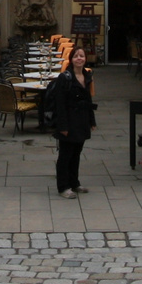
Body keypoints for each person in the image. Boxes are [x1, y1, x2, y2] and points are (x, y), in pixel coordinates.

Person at [44, 47, 95, 198]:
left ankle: (75, 183)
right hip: (68, 120)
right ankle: (63, 186)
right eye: (76, 56)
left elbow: (88, 100)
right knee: (65, 155)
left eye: (82, 56)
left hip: (82, 120)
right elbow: (60, 104)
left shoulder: (87, 76)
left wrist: (92, 120)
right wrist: (63, 126)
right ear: (71, 59)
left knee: (77, 154)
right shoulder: (64, 78)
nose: (79, 58)